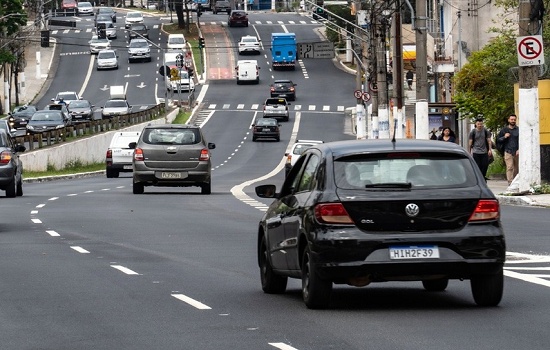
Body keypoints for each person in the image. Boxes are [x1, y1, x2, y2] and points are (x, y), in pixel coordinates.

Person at [497, 114, 519, 185]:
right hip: (508, 151)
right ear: (508, 120)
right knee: (510, 167)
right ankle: (510, 182)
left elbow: (521, 140)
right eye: (512, 119)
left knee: (516, 168)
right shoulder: (504, 130)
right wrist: (504, 137)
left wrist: (519, 149)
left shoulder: (518, 130)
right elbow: (498, 140)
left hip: (517, 151)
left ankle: (516, 182)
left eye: (514, 120)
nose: (513, 121)